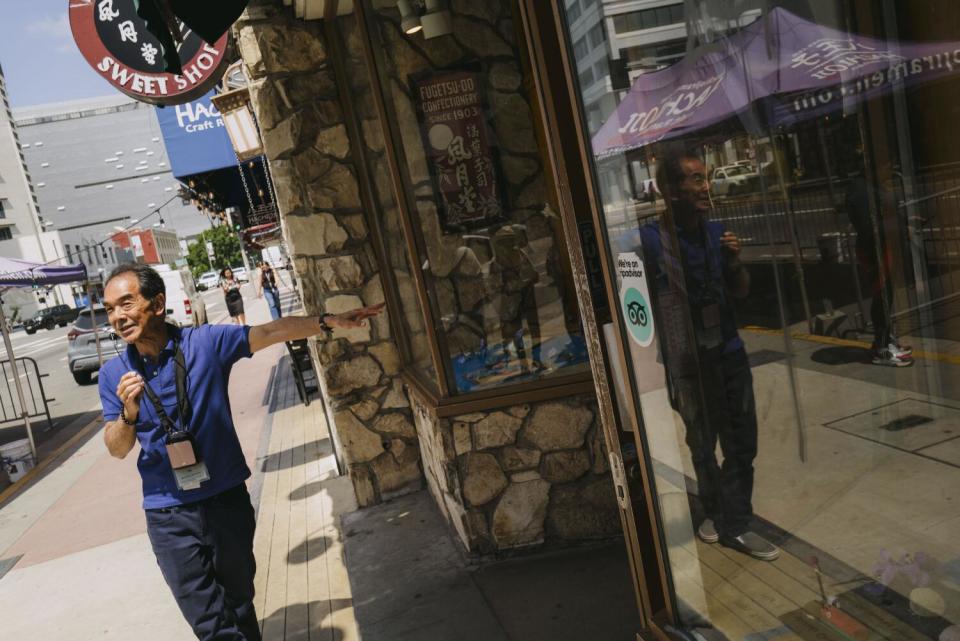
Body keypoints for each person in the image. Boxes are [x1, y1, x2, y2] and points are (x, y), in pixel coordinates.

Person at [98, 263, 383, 641]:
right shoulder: (113, 374)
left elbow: (271, 331)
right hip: (168, 514)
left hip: (224, 500)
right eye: (110, 309)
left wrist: (328, 322)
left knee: (239, 606)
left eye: (126, 304)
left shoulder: (204, 344)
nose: (118, 317)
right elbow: (117, 448)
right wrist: (127, 415)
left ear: (158, 303)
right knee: (209, 623)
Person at [638, 150, 779, 561]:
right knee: (703, 443)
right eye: (695, 179)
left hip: (728, 353)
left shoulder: (716, 233)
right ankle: (718, 511)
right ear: (669, 190)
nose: (705, 187)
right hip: (687, 363)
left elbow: (740, 292)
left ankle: (735, 522)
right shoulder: (649, 241)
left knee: (742, 442)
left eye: (706, 178)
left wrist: (734, 261)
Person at [844, 156, 913, 366]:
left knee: (886, 295)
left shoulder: (871, 186)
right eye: (886, 164)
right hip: (877, 252)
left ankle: (885, 341)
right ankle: (882, 349)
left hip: (884, 249)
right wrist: (898, 229)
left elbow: (884, 216)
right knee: (882, 296)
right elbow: (869, 228)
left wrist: (903, 224)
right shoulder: (861, 191)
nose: (890, 169)